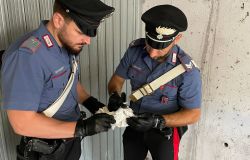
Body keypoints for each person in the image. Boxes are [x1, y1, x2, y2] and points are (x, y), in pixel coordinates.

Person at [1, 0, 116, 159]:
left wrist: (92, 103)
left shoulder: (66, 43)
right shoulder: (28, 56)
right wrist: (82, 128)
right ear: (58, 20)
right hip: (45, 150)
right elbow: (21, 123)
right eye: (80, 31)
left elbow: (69, 83)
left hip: (69, 140)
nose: (88, 41)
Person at [107, 5, 202, 160]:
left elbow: (193, 114)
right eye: (149, 44)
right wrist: (114, 94)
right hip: (134, 123)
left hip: (165, 131)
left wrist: (159, 121)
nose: (151, 53)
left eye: (160, 48)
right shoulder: (134, 52)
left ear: (177, 39)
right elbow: (116, 80)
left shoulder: (187, 71)